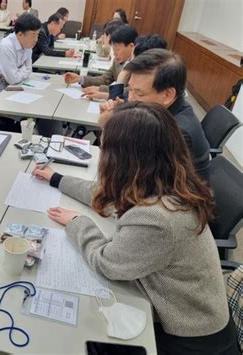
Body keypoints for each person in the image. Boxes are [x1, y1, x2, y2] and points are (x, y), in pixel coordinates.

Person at [33, 102, 240, 355]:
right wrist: (57, 178)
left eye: (105, 146)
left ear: (124, 159)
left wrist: (78, 223)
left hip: (189, 340)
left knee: (80, 335)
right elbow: (107, 196)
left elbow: (106, 263)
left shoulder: (157, 218)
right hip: (181, 311)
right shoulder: (164, 178)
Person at [124, 49, 210, 180]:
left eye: (139, 93)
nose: (130, 98)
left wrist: (109, 124)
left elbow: (136, 181)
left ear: (168, 95)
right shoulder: (166, 109)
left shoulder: (176, 133)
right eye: (130, 89)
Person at [64, 24, 137, 100]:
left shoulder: (139, 65)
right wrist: (80, 79)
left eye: (117, 50)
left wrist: (100, 90)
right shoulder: (117, 60)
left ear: (131, 46)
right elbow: (105, 79)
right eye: (113, 50)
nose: (115, 54)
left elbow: (128, 91)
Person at [0, 13, 41, 93]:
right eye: (33, 35)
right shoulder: (6, 46)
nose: (36, 39)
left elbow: (29, 69)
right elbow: (13, 79)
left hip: (7, 90)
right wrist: (20, 71)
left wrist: (17, 72)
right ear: (20, 34)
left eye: (37, 35)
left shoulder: (28, 46)